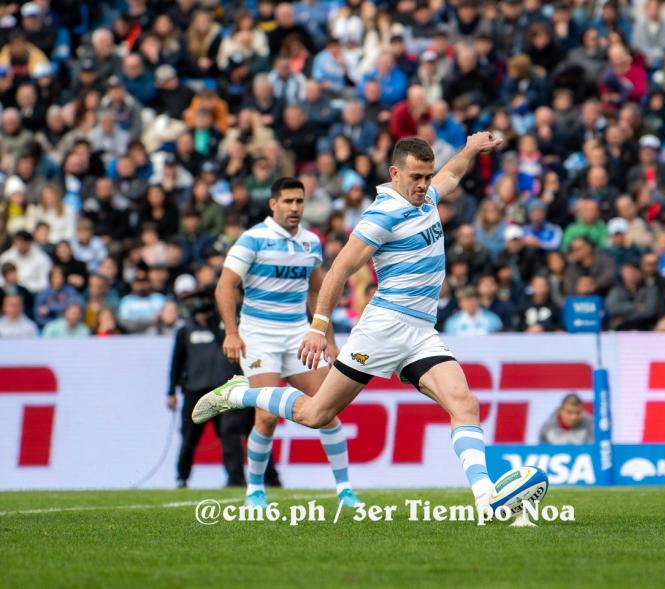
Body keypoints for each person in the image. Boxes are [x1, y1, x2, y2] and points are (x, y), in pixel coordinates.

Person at [192, 133, 505, 518]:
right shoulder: (382, 215)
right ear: (395, 174)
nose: (424, 184)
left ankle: (486, 498)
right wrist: (318, 327)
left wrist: (471, 148)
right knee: (315, 414)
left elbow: (452, 174)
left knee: (465, 403)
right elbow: (338, 269)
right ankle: (241, 393)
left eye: (427, 176)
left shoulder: (426, 198)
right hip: (383, 329)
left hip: (421, 332)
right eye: (416, 177)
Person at [211, 177, 359, 508]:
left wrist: (327, 338)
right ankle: (255, 490)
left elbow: (317, 292)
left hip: (298, 335)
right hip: (259, 336)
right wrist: (232, 332)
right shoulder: (252, 239)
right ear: (273, 204)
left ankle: (345, 490)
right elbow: (225, 286)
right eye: (288, 201)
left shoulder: (311, 242)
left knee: (327, 409)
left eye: (299, 201)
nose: (294, 208)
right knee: (266, 417)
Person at [167, 287, 278, 488]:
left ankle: (243, 478)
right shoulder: (185, 330)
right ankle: (182, 478)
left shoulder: (226, 327)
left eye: (202, 300)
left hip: (226, 389)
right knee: (189, 437)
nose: (198, 305)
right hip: (195, 389)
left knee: (235, 433)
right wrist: (171, 391)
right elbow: (177, 362)